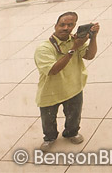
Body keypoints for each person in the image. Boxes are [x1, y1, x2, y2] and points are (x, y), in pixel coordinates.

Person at [34, 12, 100, 152]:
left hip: (73, 87)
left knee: (74, 115)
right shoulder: (44, 48)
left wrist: (93, 38)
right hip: (50, 91)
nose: (66, 28)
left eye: (70, 25)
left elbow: (89, 55)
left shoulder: (75, 40)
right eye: (62, 24)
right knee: (48, 120)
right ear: (55, 26)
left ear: (75, 26)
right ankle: (50, 138)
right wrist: (74, 48)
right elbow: (53, 70)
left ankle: (71, 133)